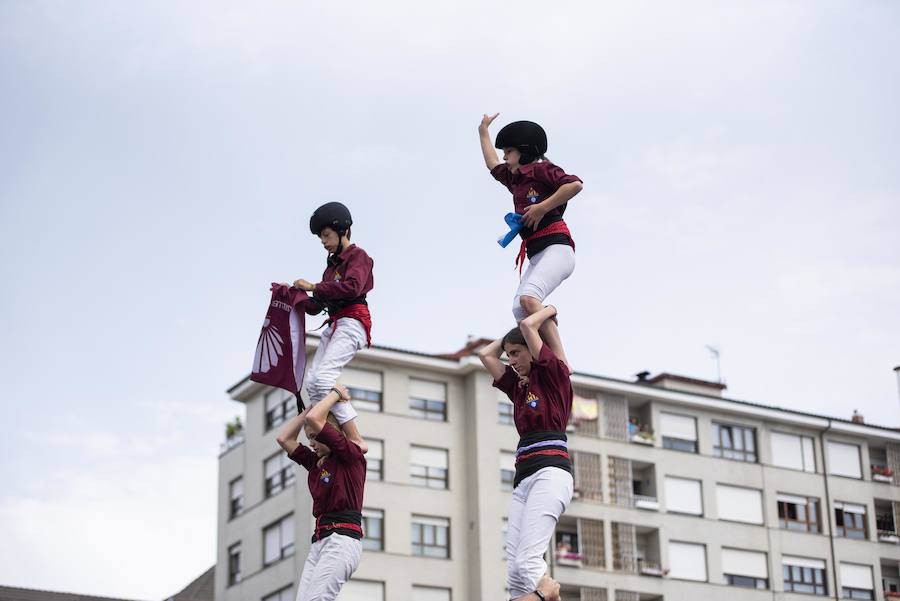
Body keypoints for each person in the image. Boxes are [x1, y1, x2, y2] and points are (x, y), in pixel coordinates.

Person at [479, 305, 574, 601]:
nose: (511, 361)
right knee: (515, 573)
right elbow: (486, 355)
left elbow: (530, 328)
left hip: (549, 474)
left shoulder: (554, 377)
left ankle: (549, 596)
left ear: (533, 352)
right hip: (523, 481)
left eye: (516, 353)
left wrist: (546, 311)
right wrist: (510, 338)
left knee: (527, 562)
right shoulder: (519, 388)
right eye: (508, 355)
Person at [478, 114, 584, 371]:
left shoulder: (541, 169)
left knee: (528, 299)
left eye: (508, 151)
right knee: (519, 309)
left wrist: (542, 207)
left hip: (557, 247)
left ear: (525, 150)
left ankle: (560, 361)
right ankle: (539, 357)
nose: (504, 157)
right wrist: (483, 131)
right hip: (537, 253)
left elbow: (574, 185)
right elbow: (492, 164)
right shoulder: (515, 177)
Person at [289, 201, 373, 453]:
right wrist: (293, 297)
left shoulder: (358, 257)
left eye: (326, 235)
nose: (323, 242)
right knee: (313, 382)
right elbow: (316, 306)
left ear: (342, 230)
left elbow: (352, 287)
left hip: (352, 322)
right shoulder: (330, 270)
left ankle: (355, 438)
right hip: (336, 325)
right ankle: (328, 437)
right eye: (320, 238)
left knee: (324, 378)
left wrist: (313, 287)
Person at [276, 384, 366, 601]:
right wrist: (308, 410)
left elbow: (316, 419)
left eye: (315, 437)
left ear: (331, 433)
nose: (311, 443)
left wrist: (335, 394)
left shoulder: (348, 456)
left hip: (341, 540)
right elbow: (284, 439)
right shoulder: (316, 464)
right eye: (308, 438)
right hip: (319, 542)